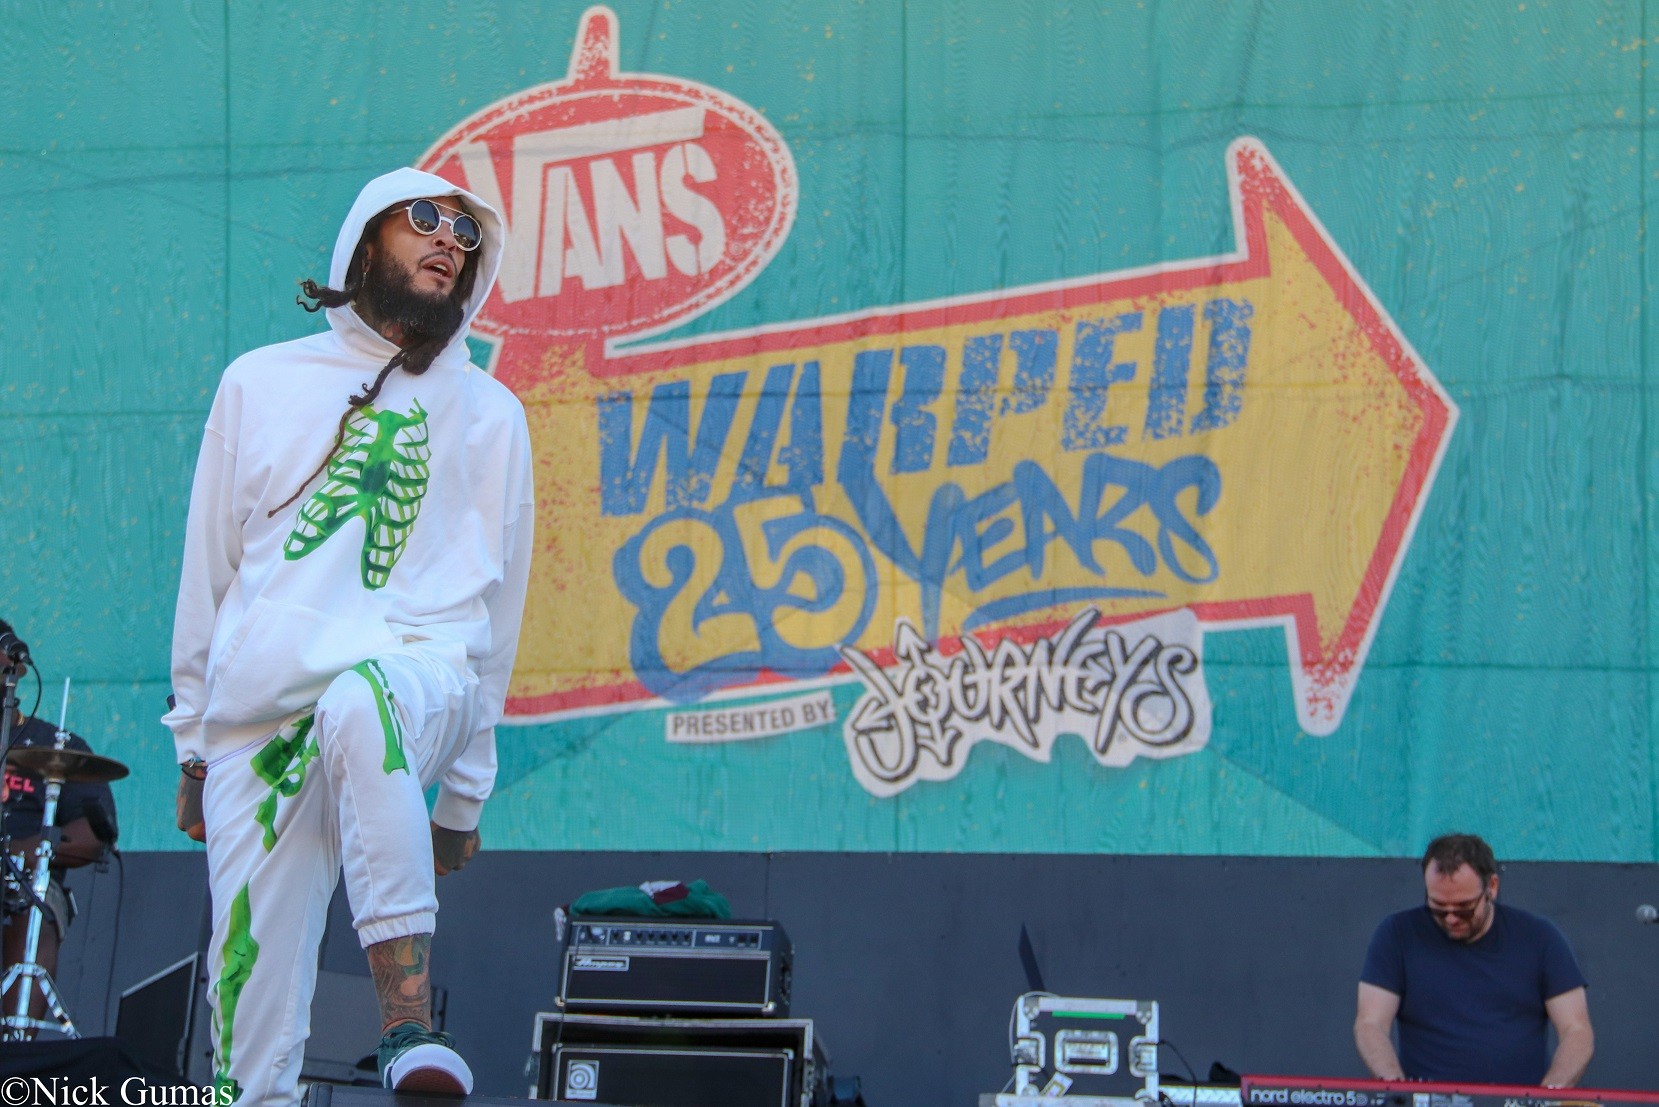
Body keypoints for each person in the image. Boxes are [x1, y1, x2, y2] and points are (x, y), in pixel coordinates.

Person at [164, 168, 534, 1101]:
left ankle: (406, 1028)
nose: (449, 239)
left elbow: (499, 615)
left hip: (416, 679)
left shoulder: (492, 412)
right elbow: (212, 574)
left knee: (359, 699)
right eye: (423, 219)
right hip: (260, 721)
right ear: (365, 244)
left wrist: (463, 796)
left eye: (465, 233)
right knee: (244, 1011)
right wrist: (197, 749)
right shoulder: (259, 381)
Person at [1354, 833, 1593, 1086]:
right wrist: (1397, 1091)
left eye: (1464, 908)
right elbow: (1371, 1023)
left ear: (1492, 887)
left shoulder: (1540, 938)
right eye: (1437, 907)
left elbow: (1576, 1030)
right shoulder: (1397, 934)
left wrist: (1547, 1098)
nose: (1451, 919)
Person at [2, 698, 119, 1032]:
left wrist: (21, 851)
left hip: (28, 875)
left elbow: (92, 837)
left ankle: (13, 1043)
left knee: (34, 904)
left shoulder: (54, 745)